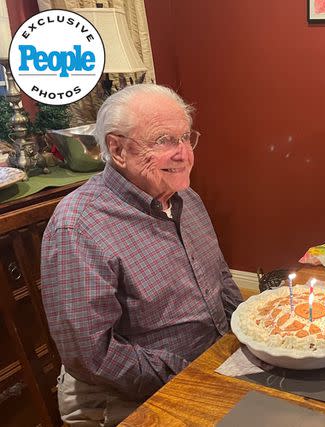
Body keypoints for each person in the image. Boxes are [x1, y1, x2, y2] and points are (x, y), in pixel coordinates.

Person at [41, 84, 243, 426]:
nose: (183, 153)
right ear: (118, 149)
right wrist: (194, 377)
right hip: (130, 394)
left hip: (212, 364)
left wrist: (250, 333)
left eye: (185, 138)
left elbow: (220, 280)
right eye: (164, 140)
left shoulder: (186, 198)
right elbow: (92, 356)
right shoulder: (78, 226)